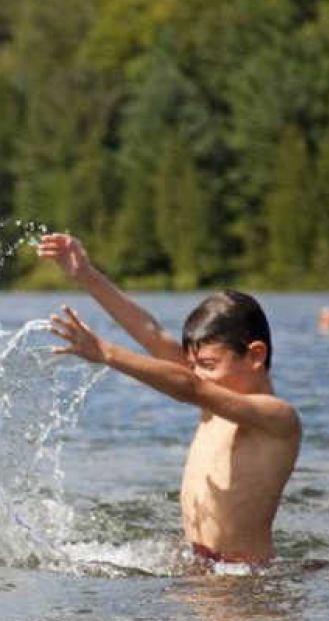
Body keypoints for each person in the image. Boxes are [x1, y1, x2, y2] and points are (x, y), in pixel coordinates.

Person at [37, 233, 302, 567]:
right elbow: (150, 332)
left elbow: (191, 387)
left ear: (254, 355)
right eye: (194, 365)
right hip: (199, 569)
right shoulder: (215, 398)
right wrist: (86, 274)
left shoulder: (276, 418)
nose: (198, 373)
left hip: (244, 582)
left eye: (207, 365)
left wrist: (106, 352)